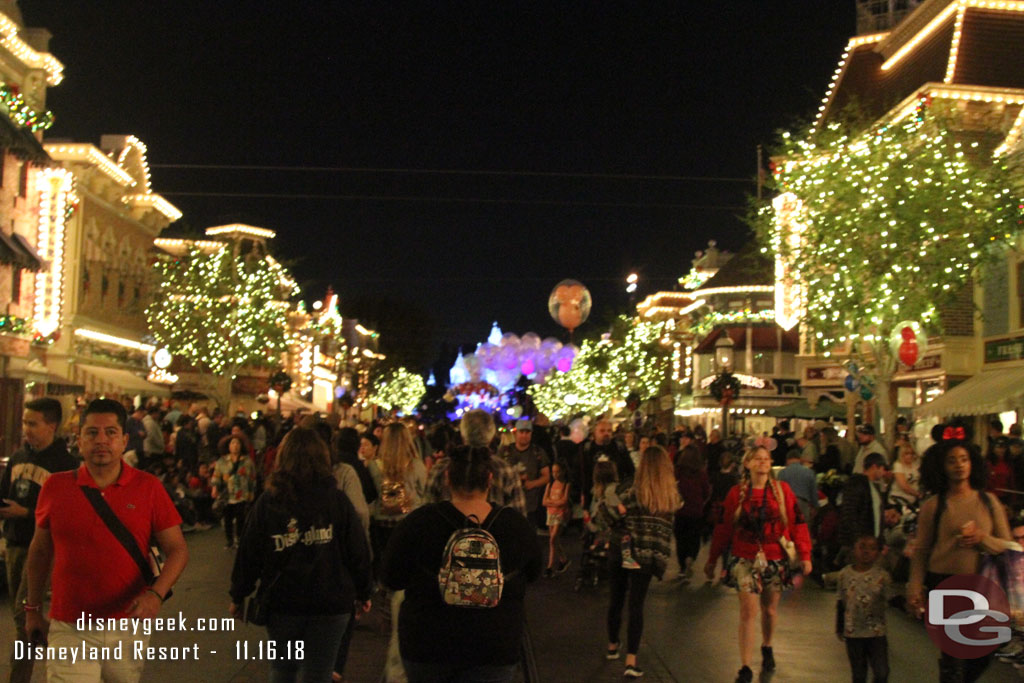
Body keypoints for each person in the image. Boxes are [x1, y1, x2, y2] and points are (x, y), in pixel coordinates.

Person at [23, 398, 188, 683]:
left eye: (110, 432)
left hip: (127, 625)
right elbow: (39, 552)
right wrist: (32, 609)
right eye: (92, 433)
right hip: (70, 624)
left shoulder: (148, 488)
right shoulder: (56, 487)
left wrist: (155, 594)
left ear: (124, 440)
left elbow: (177, 550)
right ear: (79, 440)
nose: (101, 440)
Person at [381, 445, 542, 682]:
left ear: (447, 478)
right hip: (494, 643)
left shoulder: (419, 523)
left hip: (427, 643)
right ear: (489, 479)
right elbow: (534, 572)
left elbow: (391, 577)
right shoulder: (515, 525)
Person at [230, 427, 372, 683]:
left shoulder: (269, 502)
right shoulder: (337, 500)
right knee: (318, 673)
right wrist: (363, 591)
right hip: (331, 600)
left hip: (284, 600)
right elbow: (356, 549)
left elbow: (250, 552)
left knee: (283, 670)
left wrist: (239, 594)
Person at [908, 438, 1014, 682]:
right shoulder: (933, 506)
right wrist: (914, 586)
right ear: (941, 467)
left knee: (986, 650)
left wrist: (982, 538)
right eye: (952, 461)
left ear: (973, 464)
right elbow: (922, 550)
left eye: (964, 459)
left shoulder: (989, 502)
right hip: (945, 584)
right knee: (954, 655)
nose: (959, 466)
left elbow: (1008, 546)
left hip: (983, 585)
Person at [705, 446, 812, 683]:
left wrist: (805, 555)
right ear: (748, 464)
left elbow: (798, 522)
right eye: (758, 459)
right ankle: (745, 666)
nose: (763, 463)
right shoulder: (736, 494)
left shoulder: (782, 492)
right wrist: (712, 559)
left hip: (775, 556)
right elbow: (723, 528)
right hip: (745, 557)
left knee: (770, 610)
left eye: (766, 459)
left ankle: (767, 645)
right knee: (747, 611)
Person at [0, 398, 77, 683]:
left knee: (24, 615)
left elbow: (66, 514)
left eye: (33, 423)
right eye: (24, 422)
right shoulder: (19, 458)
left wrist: (27, 513)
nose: (26, 429)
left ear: (52, 426)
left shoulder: (65, 466)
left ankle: (25, 672)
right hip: (15, 543)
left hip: (44, 548)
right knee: (21, 617)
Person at [605, 445, 679, 679]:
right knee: (637, 605)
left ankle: (612, 645)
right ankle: (631, 660)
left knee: (616, 598)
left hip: (622, 549)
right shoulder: (670, 496)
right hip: (648, 554)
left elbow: (609, 515)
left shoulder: (631, 490)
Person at [425, 409, 526, 515]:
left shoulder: (441, 468)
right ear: (491, 436)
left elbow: (426, 511)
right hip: (495, 530)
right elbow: (518, 517)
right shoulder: (505, 470)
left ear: (463, 434)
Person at [836, 534, 892, 683]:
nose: (866, 552)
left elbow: (890, 598)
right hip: (853, 632)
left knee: (881, 672)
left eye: (872, 548)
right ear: (854, 549)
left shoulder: (883, 576)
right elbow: (841, 601)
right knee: (859, 674)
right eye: (862, 547)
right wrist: (839, 626)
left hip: (876, 632)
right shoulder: (844, 575)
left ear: (878, 552)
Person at [497, 419, 551, 528]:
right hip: (506, 504)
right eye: (521, 432)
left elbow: (547, 476)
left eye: (527, 432)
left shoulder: (537, 452)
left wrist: (532, 484)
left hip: (529, 506)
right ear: (515, 433)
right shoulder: (505, 451)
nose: (524, 435)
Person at [838, 453, 890, 556]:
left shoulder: (874, 488)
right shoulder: (856, 484)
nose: (884, 473)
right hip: (859, 545)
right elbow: (849, 514)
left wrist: (880, 543)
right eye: (883, 469)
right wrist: (857, 541)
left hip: (869, 544)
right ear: (875, 466)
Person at [211, 435, 258, 549]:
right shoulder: (222, 461)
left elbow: (252, 478)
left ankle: (240, 539)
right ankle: (229, 540)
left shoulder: (247, 461)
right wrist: (214, 488)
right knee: (227, 519)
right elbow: (216, 476)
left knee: (240, 518)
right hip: (228, 494)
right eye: (232, 443)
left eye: (237, 443)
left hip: (242, 494)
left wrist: (252, 492)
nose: (235, 446)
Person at [673, 444, 709, 583]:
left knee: (680, 539)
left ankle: (682, 568)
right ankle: (691, 558)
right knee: (694, 539)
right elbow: (706, 491)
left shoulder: (677, 472)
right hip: (696, 511)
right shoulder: (701, 473)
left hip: (680, 511)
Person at [580, 419, 635, 510]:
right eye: (602, 431)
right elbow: (585, 475)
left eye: (609, 431)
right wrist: (585, 503)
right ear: (595, 432)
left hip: (617, 494)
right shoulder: (588, 450)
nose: (606, 433)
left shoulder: (619, 448)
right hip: (595, 494)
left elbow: (630, 471)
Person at [541, 461, 571, 577]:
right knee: (554, 540)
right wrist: (556, 503)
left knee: (553, 539)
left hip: (559, 514)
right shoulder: (550, 484)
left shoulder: (566, 485)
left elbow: (564, 501)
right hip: (551, 513)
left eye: (557, 471)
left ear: (563, 471)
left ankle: (550, 567)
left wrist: (551, 502)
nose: (555, 474)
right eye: (553, 472)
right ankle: (563, 559)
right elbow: (544, 501)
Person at [777, 448, 818, 528]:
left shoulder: (782, 473)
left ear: (787, 460)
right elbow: (813, 492)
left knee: (788, 529)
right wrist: (814, 507)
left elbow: (779, 491)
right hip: (803, 504)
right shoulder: (809, 472)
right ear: (800, 459)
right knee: (803, 530)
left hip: (787, 505)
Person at [889, 442, 921, 507]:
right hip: (899, 500)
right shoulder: (898, 465)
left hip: (912, 500)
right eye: (907, 454)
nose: (910, 456)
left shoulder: (916, 464)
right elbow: (904, 486)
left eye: (912, 453)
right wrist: (918, 494)